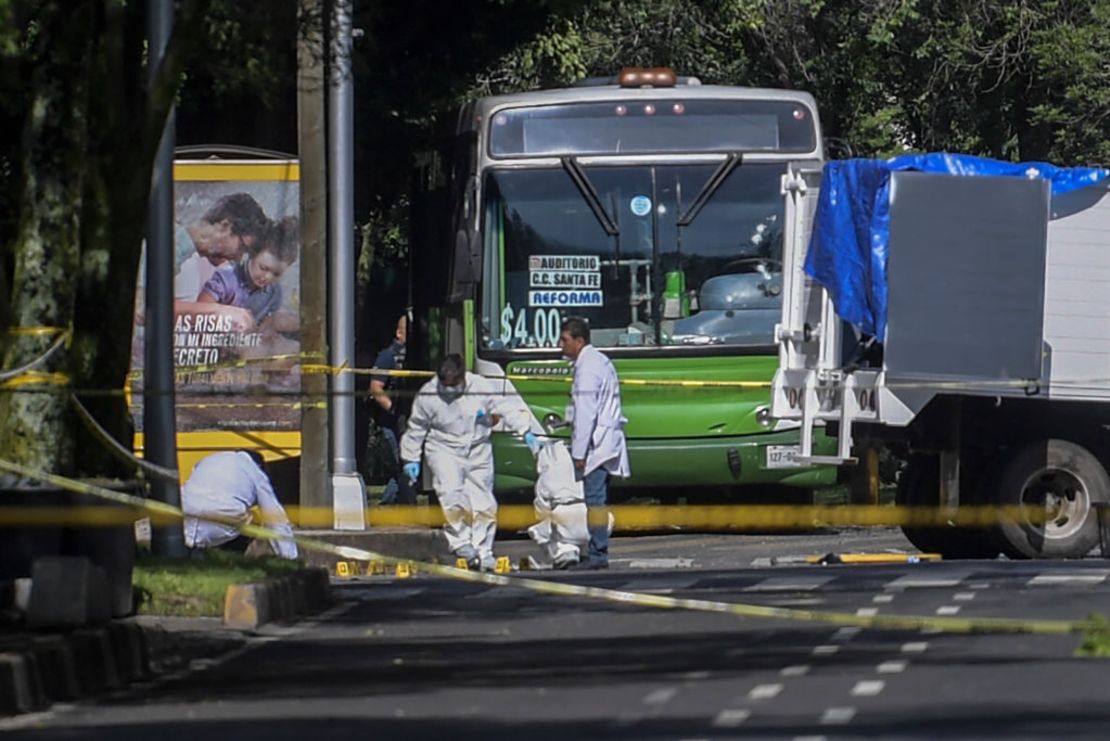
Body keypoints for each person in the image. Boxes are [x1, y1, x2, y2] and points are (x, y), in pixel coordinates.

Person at [400, 353, 540, 571]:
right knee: (452, 493)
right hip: (443, 448)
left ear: (463, 377)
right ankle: (461, 542)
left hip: (477, 447)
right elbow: (416, 428)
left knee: (484, 501)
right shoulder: (428, 395)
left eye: (454, 384)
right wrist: (410, 457)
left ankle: (483, 551)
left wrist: (525, 430)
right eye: (446, 385)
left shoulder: (480, 386)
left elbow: (505, 407)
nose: (450, 390)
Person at [557, 317, 630, 570]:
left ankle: (598, 555)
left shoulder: (588, 367)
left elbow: (586, 412)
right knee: (597, 499)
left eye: (565, 339)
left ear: (579, 341)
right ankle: (598, 552)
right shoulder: (595, 361)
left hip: (596, 444)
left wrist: (579, 452)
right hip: (602, 439)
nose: (560, 345)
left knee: (595, 500)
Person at [181, 450, 298, 560]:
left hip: (184, 514)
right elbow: (275, 519)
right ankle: (230, 562)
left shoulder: (210, 459)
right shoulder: (256, 473)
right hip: (220, 522)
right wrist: (290, 559)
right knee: (255, 520)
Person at [196, 216, 299, 328]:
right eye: (263, 268)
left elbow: (265, 328)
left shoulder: (274, 292)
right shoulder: (227, 278)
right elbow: (199, 311)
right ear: (252, 254)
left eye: (276, 274)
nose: (268, 277)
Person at [173, 193, 270, 311]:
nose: (238, 258)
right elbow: (145, 308)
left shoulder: (187, 255)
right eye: (242, 247)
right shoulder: (169, 246)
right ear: (225, 225)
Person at [369, 313, 416, 505]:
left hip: (406, 420)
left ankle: (388, 504)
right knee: (402, 463)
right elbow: (375, 388)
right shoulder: (388, 356)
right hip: (390, 421)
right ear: (398, 333)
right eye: (406, 332)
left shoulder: (412, 355)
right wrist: (392, 410)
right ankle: (401, 505)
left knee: (402, 465)